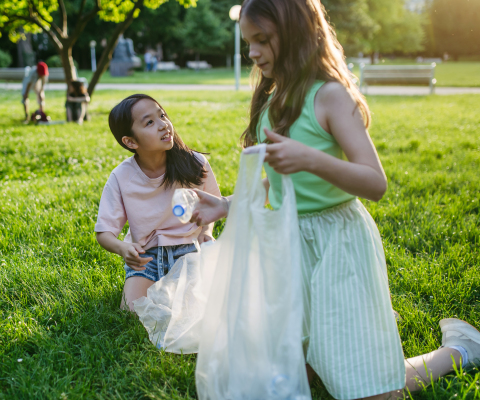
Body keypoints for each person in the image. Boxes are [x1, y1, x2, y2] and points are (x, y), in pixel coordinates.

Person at [188, 0, 480, 398]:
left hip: (336, 244)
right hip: (290, 246)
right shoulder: (272, 101)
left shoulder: (329, 96)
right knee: (293, 376)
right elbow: (274, 185)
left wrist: (309, 158)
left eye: (262, 40)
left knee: (374, 393)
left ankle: (461, 349)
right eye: (248, 42)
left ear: (295, 34)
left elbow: (375, 182)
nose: (252, 52)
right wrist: (225, 204)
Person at [94, 94, 222, 312]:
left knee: (194, 310)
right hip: (147, 258)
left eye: (162, 115)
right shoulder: (121, 177)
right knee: (132, 311)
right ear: (130, 141)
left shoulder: (195, 163)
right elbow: (104, 233)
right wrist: (123, 249)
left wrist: (206, 232)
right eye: (150, 122)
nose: (164, 125)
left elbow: (213, 207)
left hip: (188, 252)